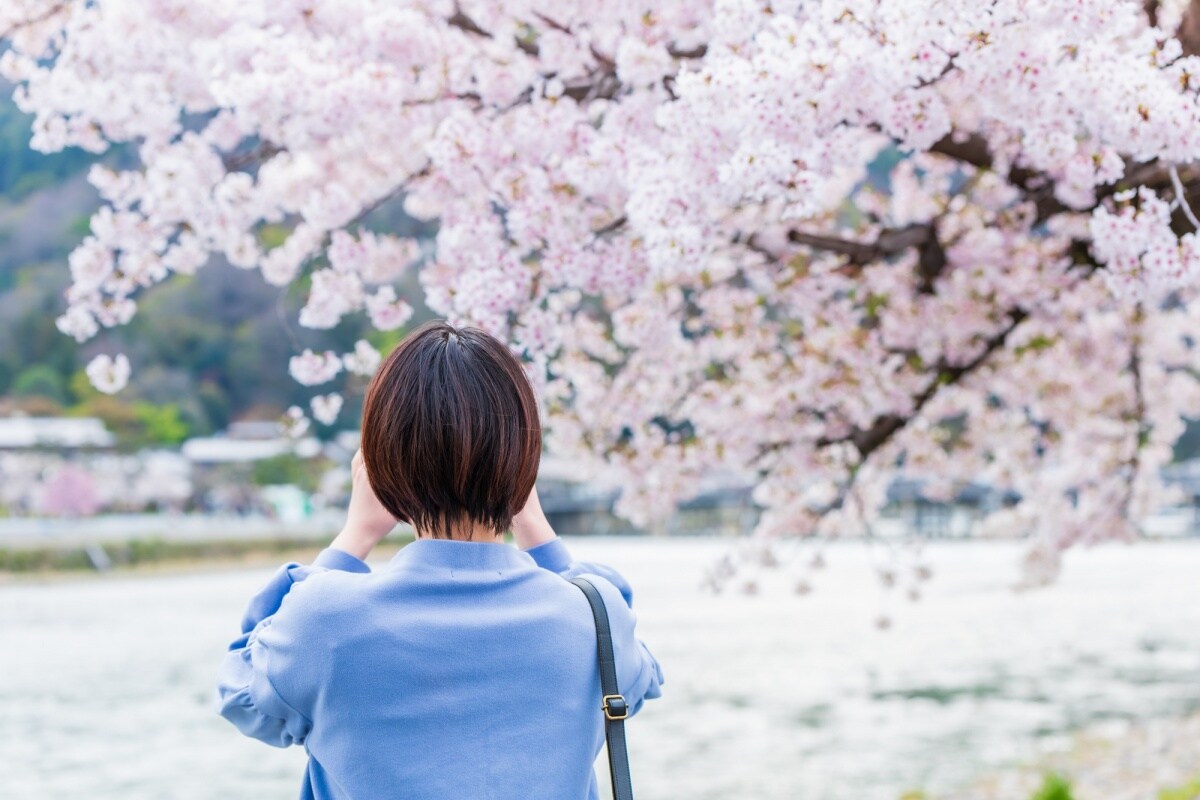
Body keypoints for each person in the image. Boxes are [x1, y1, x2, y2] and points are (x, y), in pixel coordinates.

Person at [215, 320, 664, 799]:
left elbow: (244, 696)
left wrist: (354, 536)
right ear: (523, 458)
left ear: (380, 462)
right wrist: (538, 531)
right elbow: (638, 682)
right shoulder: (594, 619)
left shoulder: (324, 620)